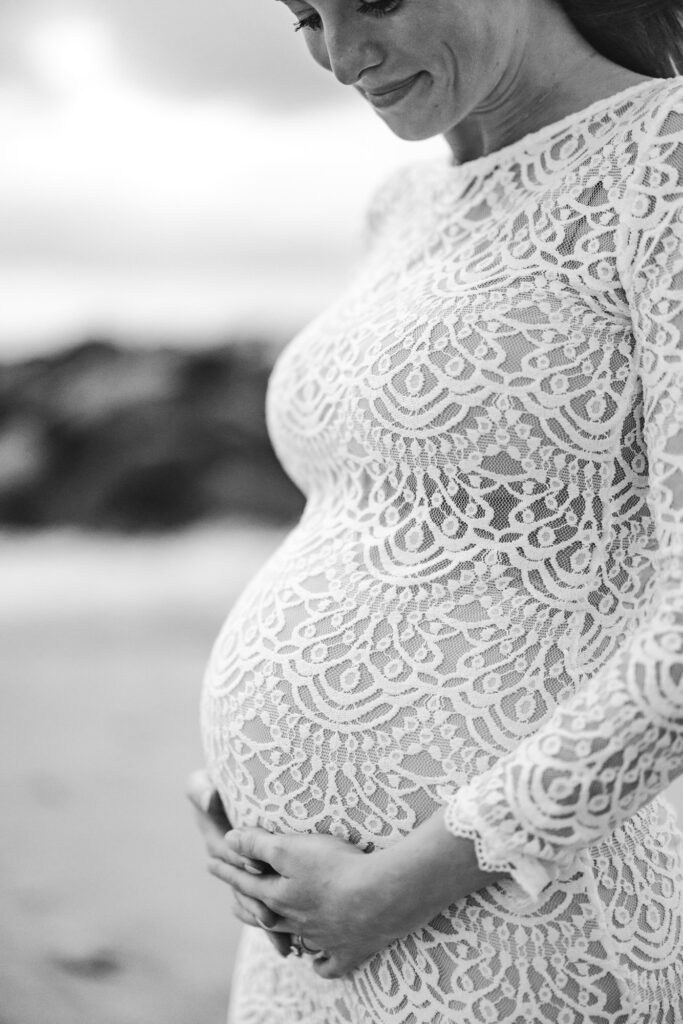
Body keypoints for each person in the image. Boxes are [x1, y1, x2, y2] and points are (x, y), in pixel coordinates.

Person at [187, 0, 683, 1020]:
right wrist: (243, 785)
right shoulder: (400, 202)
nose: (340, 57)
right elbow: (383, 522)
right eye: (304, 19)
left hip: (515, 910)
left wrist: (399, 883)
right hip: (310, 918)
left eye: (373, 0)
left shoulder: (663, 161)